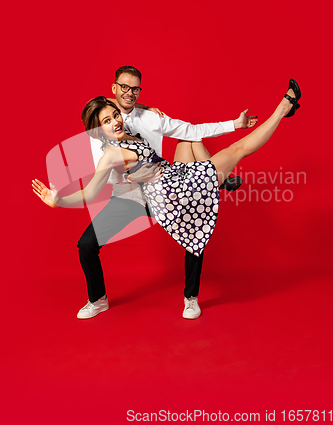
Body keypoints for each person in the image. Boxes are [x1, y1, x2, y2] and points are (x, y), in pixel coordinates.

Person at [33, 74, 301, 319]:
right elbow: (90, 192)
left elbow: (135, 110)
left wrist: (147, 108)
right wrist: (58, 200)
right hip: (155, 193)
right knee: (239, 150)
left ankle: (191, 294)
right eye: (106, 121)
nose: (115, 120)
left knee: (192, 144)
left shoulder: (130, 124)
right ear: (96, 129)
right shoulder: (110, 153)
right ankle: (283, 109)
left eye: (115, 114)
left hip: (170, 178)